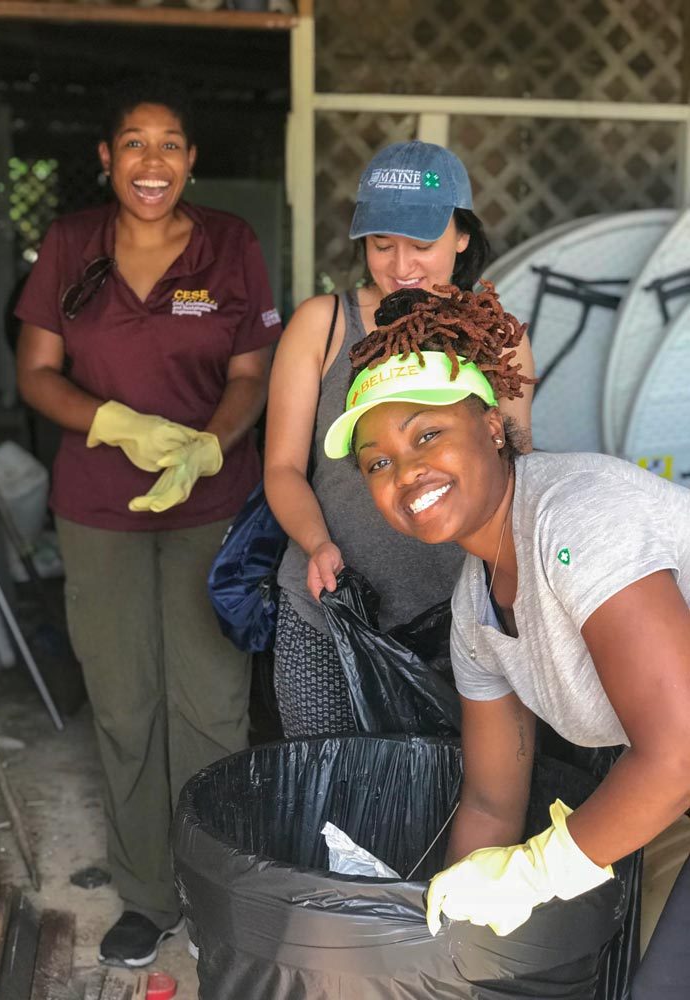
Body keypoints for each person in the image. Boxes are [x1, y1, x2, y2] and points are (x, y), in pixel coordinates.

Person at [324, 283, 690, 997]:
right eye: (377, 461)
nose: (406, 473)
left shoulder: (577, 520)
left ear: (492, 425)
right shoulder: (474, 612)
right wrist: (446, 946)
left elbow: (676, 753)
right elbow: (493, 802)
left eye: (427, 434)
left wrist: (531, 875)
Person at [15, 77, 281, 967]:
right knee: (126, 706)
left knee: (209, 704)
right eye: (134, 143)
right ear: (106, 158)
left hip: (211, 503)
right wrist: (113, 422)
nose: (152, 162)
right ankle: (147, 893)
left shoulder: (229, 245)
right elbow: (36, 373)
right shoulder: (67, 245)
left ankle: (217, 891)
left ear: (192, 158)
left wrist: (208, 444)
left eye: (170, 143)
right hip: (97, 509)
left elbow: (252, 375)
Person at [264, 141, 535, 737]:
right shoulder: (324, 324)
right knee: (335, 804)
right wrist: (315, 546)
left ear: (462, 237)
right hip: (329, 611)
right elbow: (282, 468)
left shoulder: (499, 339)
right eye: (382, 245)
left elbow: (519, 470)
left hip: (467, 620)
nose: (402, 265)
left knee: (461, 801)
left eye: (423, 244)